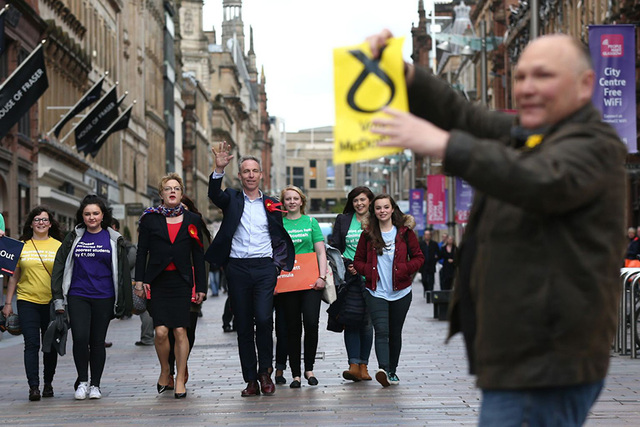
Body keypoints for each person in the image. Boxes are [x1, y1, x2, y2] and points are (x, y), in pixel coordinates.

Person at [368, 31, 626, 425]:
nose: (526, 88)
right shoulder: (531, 135)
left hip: (547, 357)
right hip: (517, 352)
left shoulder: (594, 144)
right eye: (520, 77)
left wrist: (445, 145)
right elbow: (464, 115)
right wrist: (404, 75)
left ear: (585, 84)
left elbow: (539, 181)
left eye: (543, 76)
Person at [206, 141, 294, 397]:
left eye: (255, 171)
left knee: (265, 320)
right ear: (240, 175)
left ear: (261, 175)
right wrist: (218, 169)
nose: (251, 175)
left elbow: (278, 233)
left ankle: (265, 371)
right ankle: (251, 379)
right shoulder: (231, 197)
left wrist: (276, 266)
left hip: (265, 267)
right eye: (246, 171)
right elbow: (214, 195)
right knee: (243, 324)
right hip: (237, 268)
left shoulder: (273, 203)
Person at [51, 195, 133, 400]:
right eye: (87, 214)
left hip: (104, 297)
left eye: (95, 213)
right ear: (82, 216)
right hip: (78, 295)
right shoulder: (74, 237)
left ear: (103, 215)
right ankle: (82, 382)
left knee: (97, 341)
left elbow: (122, 272)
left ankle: (95, 385)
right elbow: (60, 266)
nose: (91, 217)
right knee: (79, 338)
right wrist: (59, 298)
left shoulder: (114, 239)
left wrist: (124, 302)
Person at [134, 174, 206, 399]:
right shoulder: (149, 219)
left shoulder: (192, 219)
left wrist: (201, 286)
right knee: (161, 332)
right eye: (168, 189)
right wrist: (138, 280)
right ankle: (166, 369)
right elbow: (141, 251)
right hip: (157, 282)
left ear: (182, 193)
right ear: (161, 194)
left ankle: (181, 377)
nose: (172, 192)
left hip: (182, 282)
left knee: (180, 330)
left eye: (176, 188)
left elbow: (198, 254)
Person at [353, 194, 423, 387]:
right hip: (376, 291)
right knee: (381, 330)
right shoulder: (367, 235)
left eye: (386, 207)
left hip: (401, 291)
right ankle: (383, 369)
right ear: (373, 212)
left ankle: (392, 370)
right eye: (378, 208)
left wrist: (405, 270)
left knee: (395, 332)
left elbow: (418, 257)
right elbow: (358, 260)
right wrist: (368, 271)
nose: (382, 211)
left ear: (392, 209)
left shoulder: (405, 233)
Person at [2, 206, 63, 401]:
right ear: (31, 223)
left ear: (50, 223)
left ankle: (48, 383)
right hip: (27, 300)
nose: (41, 223)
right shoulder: (21, 246)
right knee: (31, 344)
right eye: (37, 219)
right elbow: (13, 277)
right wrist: (8, 302)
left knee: (50, 345)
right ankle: (34, 387)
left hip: (52, 303)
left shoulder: (59, 246)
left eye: (45, 220)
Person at [279, 185, 328, 388]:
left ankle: (309, 368)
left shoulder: (310, 222)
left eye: (295, 198)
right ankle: (296, 374)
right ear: (283, 203)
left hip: (310, 282)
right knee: (292, 328)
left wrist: (322, 277)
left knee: (311, 323)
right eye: (288, 199)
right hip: (288, 282)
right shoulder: (278, 224)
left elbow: (321, 252)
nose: (292, 202)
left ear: (302, 201)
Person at [328, 186, 375, 382]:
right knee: (351, 320)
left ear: (370, 201)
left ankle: (364, 366)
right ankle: (353, 364)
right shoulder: (343, 220)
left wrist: (365, 266)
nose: (359, 203)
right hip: (350, 279)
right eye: (356, 200)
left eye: (363, 199)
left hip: (372, 278)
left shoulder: (377, 219)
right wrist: (347, 265)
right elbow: (335, 246)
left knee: (367, 323)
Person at [166, 194, 211, 389]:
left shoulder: (196, 227)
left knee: (187, 330)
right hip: (166, 285)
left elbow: (204, 260)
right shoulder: (160, 224)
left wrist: (202, 287)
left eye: (184, 207)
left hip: (190, 285)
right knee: (165, 331)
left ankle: (181, 365)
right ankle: (168, 369)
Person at [419, 229, 439, 301]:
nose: (427, 236)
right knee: (424, 280)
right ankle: (426, 290)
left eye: (428, 234)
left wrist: (436, 259)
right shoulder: (421, 244)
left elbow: (438, 253)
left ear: (430, 235)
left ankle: (430, 293)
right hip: (423, 265)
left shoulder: (434, 244)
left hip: (431, 265)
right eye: (426, 234)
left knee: (431, 280)